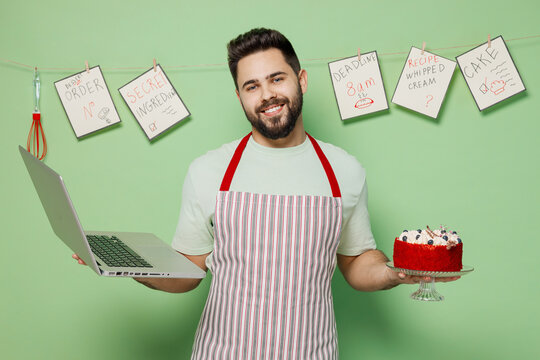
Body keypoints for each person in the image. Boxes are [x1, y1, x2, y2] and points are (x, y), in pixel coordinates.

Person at [74, 28, 458, 359]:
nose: (267, 95)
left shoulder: (345, 170)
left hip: (312, 351)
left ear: (301, 80)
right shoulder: (208, 171)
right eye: (252, 86)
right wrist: (124, 264)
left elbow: (356, 263)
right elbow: (188, 272)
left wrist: (396, 273)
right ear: (239, 95)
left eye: (277, 79)